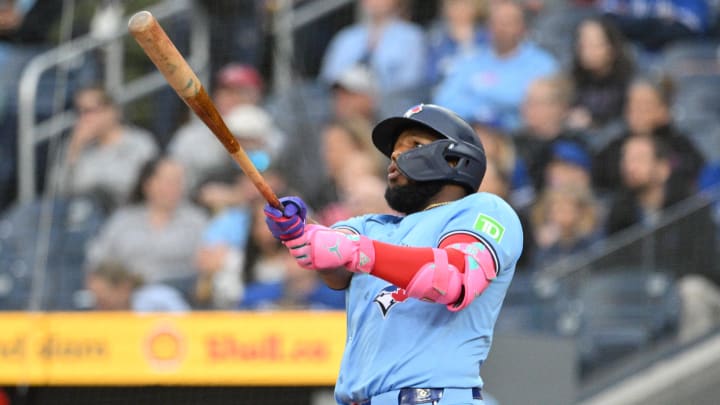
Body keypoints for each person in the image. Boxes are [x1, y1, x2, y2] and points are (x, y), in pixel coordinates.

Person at [264, 104, 523, 405]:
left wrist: (353, 251)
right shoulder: (370, 226)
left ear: (455, 159)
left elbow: (452, 278)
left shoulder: (484, 209)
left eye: (413, 145)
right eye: (394, 150)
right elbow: (331, 260)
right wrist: (297, 232)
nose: (396, 156)